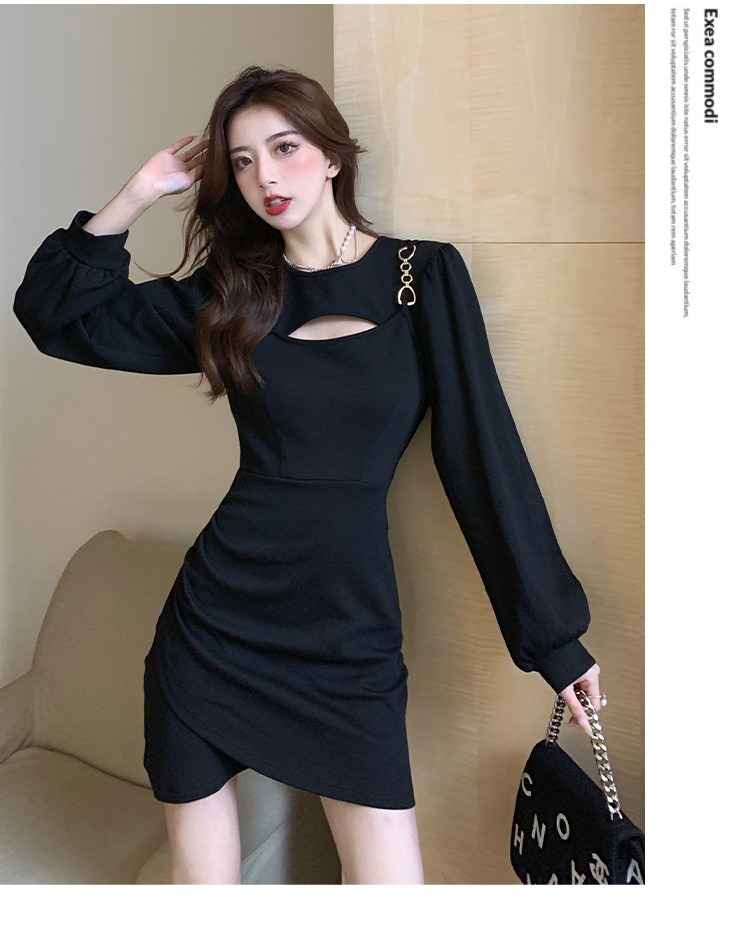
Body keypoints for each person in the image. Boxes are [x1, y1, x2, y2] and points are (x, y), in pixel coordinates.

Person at [12, 65, 603, 885]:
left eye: (284, 148)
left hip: (347, 634)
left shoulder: (422, 278)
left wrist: (554, 641)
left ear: (330, 156)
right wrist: (140, 191)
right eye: (242, 161)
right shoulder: (231, 297)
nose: (265, 175)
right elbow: (51, 315)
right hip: (214, 628)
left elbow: (482, 454)